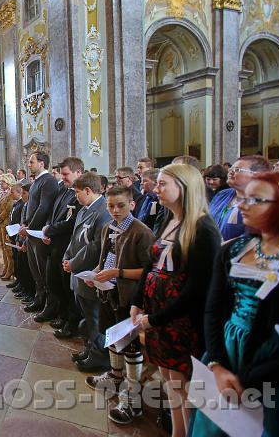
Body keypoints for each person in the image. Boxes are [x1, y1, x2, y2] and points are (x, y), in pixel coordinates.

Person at [188, 172, 279, 436]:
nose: (242, 205)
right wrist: (217, 363)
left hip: (275, 362)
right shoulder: (235, 250)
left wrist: (248, 379)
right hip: (227, 347)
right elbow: (213, 308)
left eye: (256, 199)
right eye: (244, 198)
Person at [130, 164, 221, 437]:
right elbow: (152, 263)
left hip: (181, 322)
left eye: (162, 184)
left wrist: (155, 319)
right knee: (170, 381)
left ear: (183, 188)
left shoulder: (203, 228)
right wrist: (137, 301)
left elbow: (198, 288)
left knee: (185, 388)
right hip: (159, 317)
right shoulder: (169, 219)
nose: (156, 189)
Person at [84, 185, 155, 424]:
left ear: (132, 205)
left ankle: (133, 397)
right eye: (110, 206)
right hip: (108, 293)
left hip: (130, 297)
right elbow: (104, 259)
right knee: (112, 336)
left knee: (131, 344)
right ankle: (115, 377)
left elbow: (149, 270)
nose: (115, 210)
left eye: (121, 205)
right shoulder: (108, 228)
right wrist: (95, 274)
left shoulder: (141, 232)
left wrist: (118, 272)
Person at [63, 172, 112, 368]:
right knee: (86, 314)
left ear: (88, 190)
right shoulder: (84, 209)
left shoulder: (103, 211)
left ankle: (99, 356)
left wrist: (74, 262)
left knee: (94, 318)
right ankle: (90, 348)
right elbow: (75, 238)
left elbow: (96, 245)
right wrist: (67, 257)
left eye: (77, 192)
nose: (75, 196)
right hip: (78, 272)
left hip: (90, 272)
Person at [40, 157, 84, 328]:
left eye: (66, 174)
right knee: (54, 282)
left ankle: (71, 322)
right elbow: (53, 213)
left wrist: (50, 229)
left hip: (67, 245)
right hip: (55, 244)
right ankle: (62, 314)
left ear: (78, 173)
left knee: (67, 287)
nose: (62, 177)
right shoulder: (63, 189)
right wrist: (47, 228)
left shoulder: (79, 193)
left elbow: (72, 222)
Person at [19, 152, 61, 312]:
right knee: (35, 270)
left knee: (44, 271)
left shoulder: (48, 180)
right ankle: (39, 299)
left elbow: (44, 207)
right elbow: (32, 205)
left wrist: (30, 226)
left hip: (39, 232)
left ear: (42, 163)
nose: (28, 165)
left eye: (31, 162)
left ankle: (50, 306)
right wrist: (26, 223)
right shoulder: (37, 181)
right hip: (31, 231)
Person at [209, 155, 272, 241]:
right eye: (231, 169)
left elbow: (253, 238)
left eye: (237, 170)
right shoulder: (222, 194)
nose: (230, 172)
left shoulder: (260, 203)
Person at [0, 173, 16, 279]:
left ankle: (10, 270)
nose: (1, 184)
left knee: (8, 249)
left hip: (6, 224)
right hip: (0, 224)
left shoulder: (11, 194)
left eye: (3, 182)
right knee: (3, 247)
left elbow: (7, 210)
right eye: (1, 182)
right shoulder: (3, 193)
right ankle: (5, 267)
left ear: (9, 183)